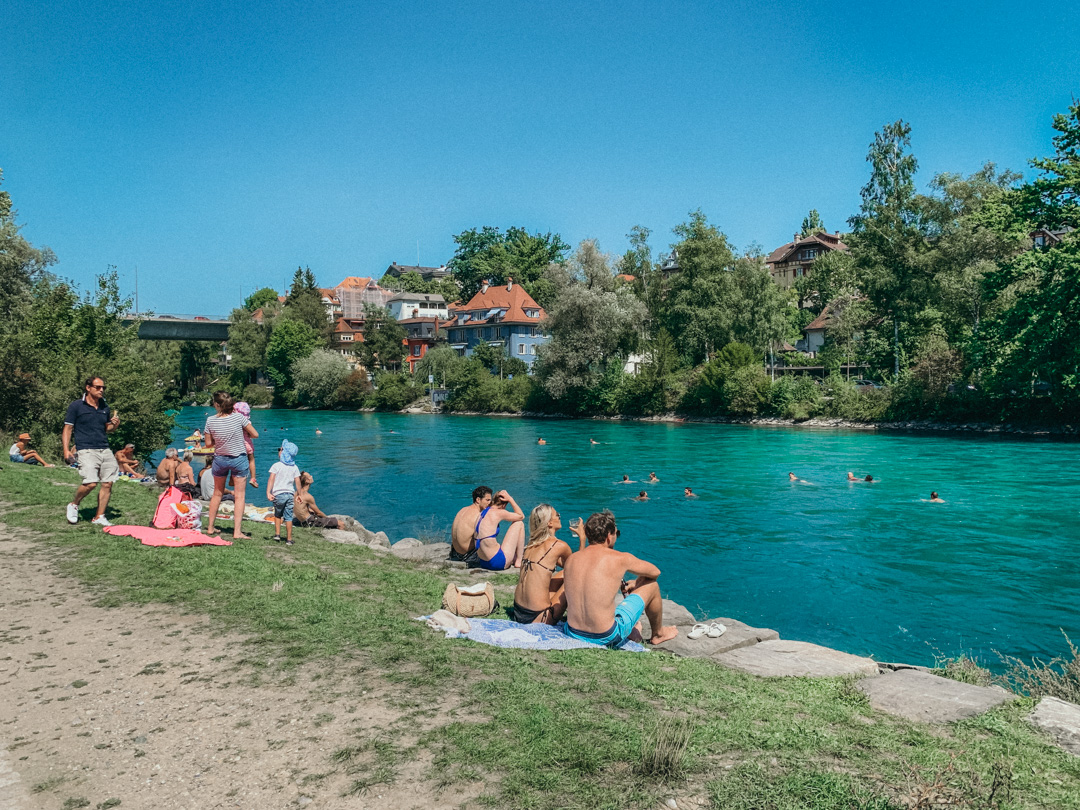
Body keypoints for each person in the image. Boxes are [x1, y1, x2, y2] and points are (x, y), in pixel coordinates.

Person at [562, 510, 678, 647]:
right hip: (606, 636)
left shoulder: (572, 559)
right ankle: (658, 634)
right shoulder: (620, 558)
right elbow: (655, 572)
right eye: (616, 533)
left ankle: (632, 630)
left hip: (573, 632)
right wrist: (638, 582)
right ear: (608, 536)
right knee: (652, 585)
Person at [62, 376, 120, 527]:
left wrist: (114, 425)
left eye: (103, 388)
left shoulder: (104, 407)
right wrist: (66, 450)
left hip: (104, 448)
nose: (101, 390)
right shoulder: (76, 406)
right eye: (98, 387)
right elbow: (68, 428)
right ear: (88, 388)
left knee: (108, 483)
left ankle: (99, 516)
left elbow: (106, 429)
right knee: (91, 483)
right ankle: (74, 504)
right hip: (85, 448)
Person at [512, 505, 584, 625]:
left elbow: (564, 566)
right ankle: (580, 618)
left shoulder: (532, 543)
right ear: (549, 523)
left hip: (518, 612)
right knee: (575, 578)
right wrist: (582, 538)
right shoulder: (559, 545)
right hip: (540, 618)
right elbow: (579, 569)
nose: (559, 517)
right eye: (557, 515)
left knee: (563, 573)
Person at [204, 391, 258, 540]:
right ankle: (237, 532)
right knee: (240, 496)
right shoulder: (239, 417)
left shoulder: (210, 420)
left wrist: (219, 439)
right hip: (238, 459)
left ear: (217, 405)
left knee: (217, 493)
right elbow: (255, 434)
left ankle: (210, 527)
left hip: (220, 459)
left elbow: (208, 444)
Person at [472, 489, 526, 570]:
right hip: (497, 562)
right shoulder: (499, 512)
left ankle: (514, 557)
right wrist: (510, 499)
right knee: (519, 523)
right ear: (504, 505)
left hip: (483, 562)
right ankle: (519, 561)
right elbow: (521, 516)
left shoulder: (483, 513)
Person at [267, 440, 300, 545]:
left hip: (279, 494)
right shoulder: (294, 467)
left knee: (278, 514)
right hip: (290, 495)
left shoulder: (276, 465)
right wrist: (299, 494)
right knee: (289, 517)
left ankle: (277, 535)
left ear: (283, 453)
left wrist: (268, 492)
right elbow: (297, 482)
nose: (279, 451)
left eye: (280, 449)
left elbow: (271, 479)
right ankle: (289, 539)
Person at [449, 486, 489, 563]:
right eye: (487, 500)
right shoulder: (478, 515)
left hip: (455, 553)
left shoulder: (463, 509)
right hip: (468, 556)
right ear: (478, 500)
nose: (489, 503)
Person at [233, 401, 259, 488]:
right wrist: (248, 436)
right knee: (251, 460)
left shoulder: (233, 422)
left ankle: (231, 478)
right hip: (247, 444)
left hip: (236, 445)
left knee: (235, 461)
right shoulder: (247, 423)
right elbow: (254, 435)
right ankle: (253, 478)